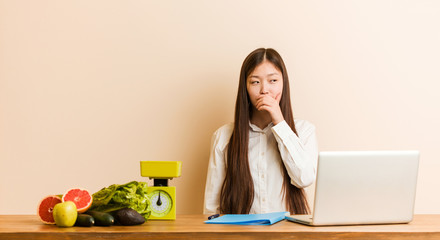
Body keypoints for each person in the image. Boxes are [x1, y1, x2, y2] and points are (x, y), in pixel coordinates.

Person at [203, 48, 318, 215]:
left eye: (273, 80)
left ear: (283, 83)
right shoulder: (224, 136)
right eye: (255, 82)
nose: (264, 90)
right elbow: (211, 207)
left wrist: (279, 122)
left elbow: (304, 178)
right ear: (245, 87)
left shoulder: (304, 130)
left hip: (289, 234)